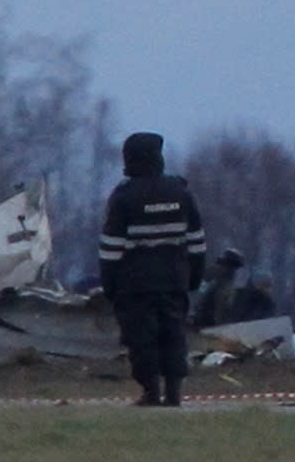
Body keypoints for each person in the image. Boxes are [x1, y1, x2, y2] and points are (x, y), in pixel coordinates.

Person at [99, 132, 206, 406]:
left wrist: (109, 284)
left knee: (141, 339)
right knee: (174, 334)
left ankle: (150, 391)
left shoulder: (124, 197)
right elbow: (196, 240)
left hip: (135, 284)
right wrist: (194, 276)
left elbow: (111, 246)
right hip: (175, 280)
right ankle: (174, 392)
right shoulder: (180, 192)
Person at [188, 247, 244, 327]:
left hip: (210, 323)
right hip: (203, 323)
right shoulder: (212, 277)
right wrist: (192, 314)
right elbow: (198, 294)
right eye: (234, 267)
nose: (233, 271)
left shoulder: (225, 280)